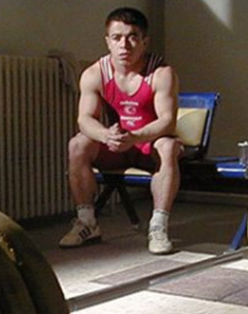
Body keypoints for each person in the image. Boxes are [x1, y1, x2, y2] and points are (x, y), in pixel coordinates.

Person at [59, 7, 182, 255]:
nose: (124, 45)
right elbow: (85, 119)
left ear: (144, 41)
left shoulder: (161, 73)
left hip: (147, 144)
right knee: (77, 144)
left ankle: (158, 227)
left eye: (132, 37)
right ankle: (87, 223)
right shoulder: (94, 74)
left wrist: (135, 137)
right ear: (108, 41)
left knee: (169, 146)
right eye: (117, 38)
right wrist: (106, 135)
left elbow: (167, 121)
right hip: (116, 145)